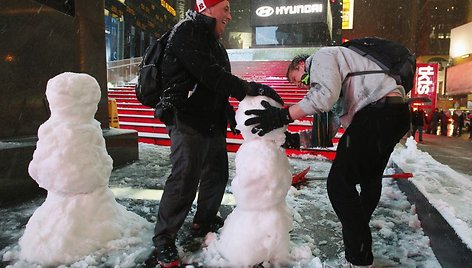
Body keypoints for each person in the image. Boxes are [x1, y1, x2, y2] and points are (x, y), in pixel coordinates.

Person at [244, 48, 410, 267]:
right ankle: (359, 242)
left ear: (301, 65)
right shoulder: (337, 82)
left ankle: (360, 257)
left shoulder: (322, 57)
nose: (299, 85)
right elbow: (325, 132)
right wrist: (291, 140)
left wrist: (283, 115)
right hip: (393, 115)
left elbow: (323, 97)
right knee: (370, 179)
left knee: (339, 184)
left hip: (378, 112)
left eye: (296, 79)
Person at [147, 1, 283, 267]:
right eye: (225, 9)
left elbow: (214, 83)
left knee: (216, 173)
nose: (230, 16)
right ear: (206, 8)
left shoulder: (213, 41)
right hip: (185, 116)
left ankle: (204, 220)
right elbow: (209, 75)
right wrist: (250, 88)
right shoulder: (187, 31)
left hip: (211, 118)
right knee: (186, 176)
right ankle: (164, 238)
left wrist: (229, 112)